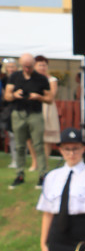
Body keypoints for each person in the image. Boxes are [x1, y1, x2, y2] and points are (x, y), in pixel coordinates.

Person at [4, 52, 53, 188]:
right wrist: (14, 95)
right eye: (25, 66)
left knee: (39, 145)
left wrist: (39, 97)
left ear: (33, 65)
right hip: (18, 113)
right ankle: (19, 174)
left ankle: (43, 175)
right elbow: (7, 96)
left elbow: (49, 99)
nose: (27, 69)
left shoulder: (41, 79)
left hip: (35, 114)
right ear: (21, 65)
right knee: (20, 146)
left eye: (30, 66)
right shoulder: (15, 76)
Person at [36, 56, 61, 170]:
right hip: (34, 106)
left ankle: (44, 161)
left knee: (46, 137)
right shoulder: (32, 78)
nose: (42, 67)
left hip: (47, 107)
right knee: (34, 136)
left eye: (44, 65)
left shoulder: (52, 79)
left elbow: (51, 94)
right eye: (40, 65)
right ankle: (35, 161)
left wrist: (39, 95)